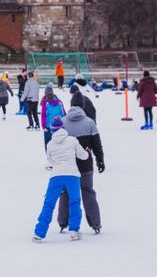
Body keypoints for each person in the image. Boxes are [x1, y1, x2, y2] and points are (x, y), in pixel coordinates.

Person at [32, 115, 88, 242]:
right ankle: (74, 230)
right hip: (72, 175)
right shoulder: (72, 140)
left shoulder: (50, 144)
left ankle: (39, 232)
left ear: (52, 130)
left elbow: (50, 161)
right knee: (74, 202)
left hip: (56, 176)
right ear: (63, 128)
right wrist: (87, 152)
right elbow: (83, 156)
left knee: (49, 204)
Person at [57, 95, 104, 235]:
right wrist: (100, 160)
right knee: (88, 192)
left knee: (65, 193)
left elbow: (57, 143)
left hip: (67, 166)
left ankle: (62, 222)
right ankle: (95, 223)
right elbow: (97, 145)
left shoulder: (63, 122)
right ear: (82, 105)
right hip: (85, 166)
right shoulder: (90, 123)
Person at [40, 87, 66, 153]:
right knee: (59, 142)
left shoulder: (45, 102)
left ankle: (50, 157)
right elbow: (63, 113)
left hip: (49, 127)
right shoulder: (59, 101)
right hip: (59, 126)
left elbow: (43, 115)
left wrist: (44, 126)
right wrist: (65, 123)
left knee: (48, 144)